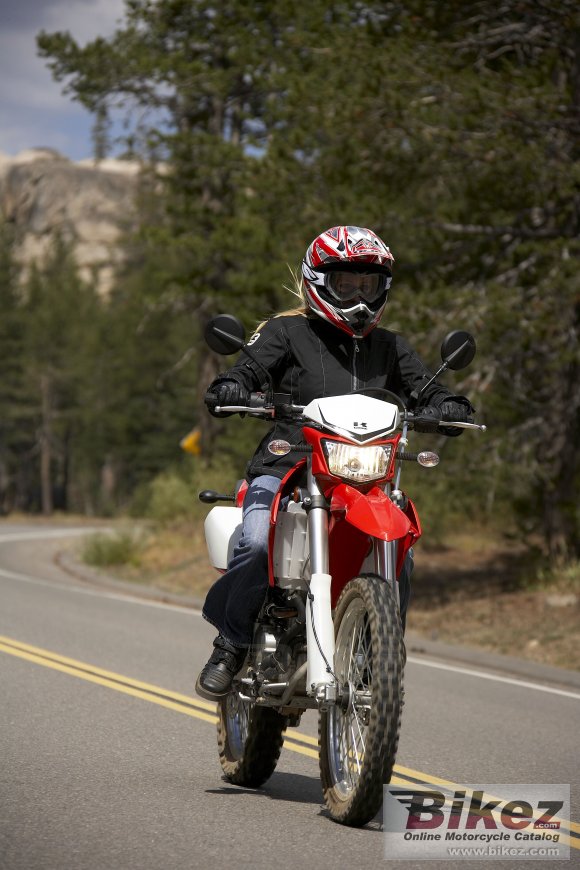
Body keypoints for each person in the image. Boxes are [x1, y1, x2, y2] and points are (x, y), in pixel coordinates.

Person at [196, 225, 474, 699]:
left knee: (401, 544)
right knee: (257, 541)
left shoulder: (390, 346)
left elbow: (428, 388)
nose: (359, 295)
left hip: (363, 475)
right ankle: (232, 640)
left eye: (369, 285)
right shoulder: (287, 332)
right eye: (346, 284)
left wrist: (449, 406)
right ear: (319, 282)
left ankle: (378, 648)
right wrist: (233, 387)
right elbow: (247, 369)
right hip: (288, 464)